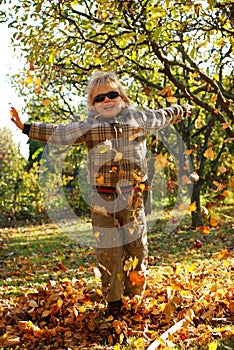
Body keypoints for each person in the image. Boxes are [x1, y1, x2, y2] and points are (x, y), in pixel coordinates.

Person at [10, 71, 191, 318]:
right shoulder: (89, 127)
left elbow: (164, 116)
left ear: (123, 98)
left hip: (134, 197)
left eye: (112, 94)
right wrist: (26, 127)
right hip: (102, 199)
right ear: (92, 105)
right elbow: (60, 132)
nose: (107, 100)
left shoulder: (139, 118)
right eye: (99, 98)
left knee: (136, 248)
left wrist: (183, 109)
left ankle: (134, 297)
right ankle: (114, 302)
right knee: (109, 251)